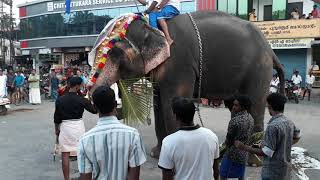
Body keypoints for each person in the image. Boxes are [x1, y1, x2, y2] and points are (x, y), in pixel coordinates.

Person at [77, 86, 146, 180]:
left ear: (95, 107)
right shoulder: (133, 135)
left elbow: (85, 177)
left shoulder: (85, 140)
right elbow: (134, 176)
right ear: (115, 104)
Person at [234, 93, 301, 180]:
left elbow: (266, 152)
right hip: (286, 171)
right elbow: (297, 136)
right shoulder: (289, 122)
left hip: (272, 172)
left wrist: (244, 147)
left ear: (270, 106)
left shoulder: (273, 126)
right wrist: (283, 144)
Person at [158, 97, 220, 180]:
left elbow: (167, 176)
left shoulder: (169, 142)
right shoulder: (212, 136)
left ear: (175, 116)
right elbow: (216, 170)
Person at [54, 77, 97, 180]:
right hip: (78, 127)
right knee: (82, 154)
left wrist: (57, 130)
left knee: (65, 154)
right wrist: (90, 98)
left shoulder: (60, 99)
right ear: (77, 86)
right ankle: (83, 177)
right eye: (81, 85)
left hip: (65, 127)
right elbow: (94, 110)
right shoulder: (81, 99)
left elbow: (56, 118)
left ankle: (66, 178)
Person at [220, 95, 254, 180]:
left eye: (236, 105)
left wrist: (223, 149)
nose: (233, 107)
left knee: (223, 174)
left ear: (243, 107)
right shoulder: (250, 117)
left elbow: (229, 139)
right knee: (240, 175)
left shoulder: (235, 121)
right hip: (244, 152)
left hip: (232, 154)